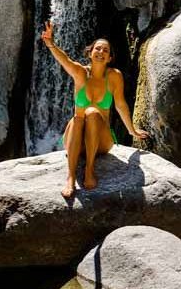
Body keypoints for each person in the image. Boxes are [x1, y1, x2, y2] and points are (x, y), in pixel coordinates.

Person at [41, 21, 148, 199]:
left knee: (91, 113)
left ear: (109, 58)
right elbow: (65, 60)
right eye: (97, 49)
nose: (101, 52)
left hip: (102, 142)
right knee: (78, 118)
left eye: (105, 50)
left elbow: (120, 105)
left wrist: (132, 131)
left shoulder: (114, 76)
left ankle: (89, 169)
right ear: (90, 53)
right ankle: (70, 177)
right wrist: (50, 43)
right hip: (75, 139)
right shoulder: (80, 73)